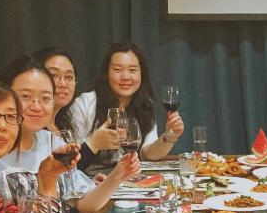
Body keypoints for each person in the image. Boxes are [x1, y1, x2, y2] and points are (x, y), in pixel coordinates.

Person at [0, 58, 140, 213]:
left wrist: (117, 176)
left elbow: (85, 204)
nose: (36, 106)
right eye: (26, 96)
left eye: (45, 98)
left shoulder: (52, 142)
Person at [66, 42, 183, 171]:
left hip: (129, 177)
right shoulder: (84, 103)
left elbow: (148, 153)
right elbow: (71, 162)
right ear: (106, 73)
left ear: (141, 74)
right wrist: (95, 143)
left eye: (132, 70)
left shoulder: (145, 104)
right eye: (117, 70)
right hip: (91, 179)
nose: (126, 77)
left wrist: (169, 137)